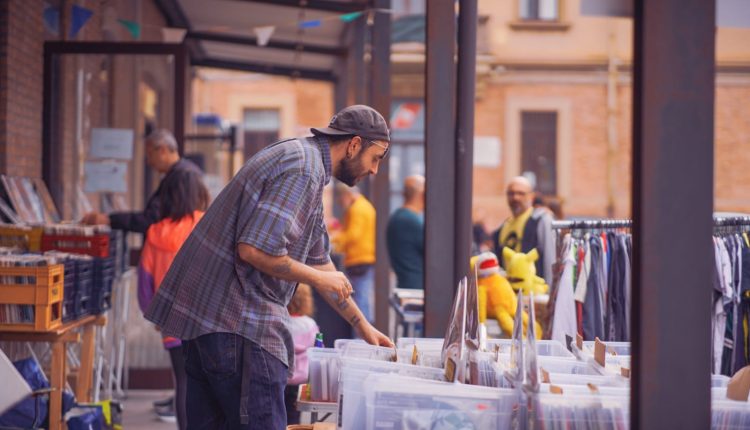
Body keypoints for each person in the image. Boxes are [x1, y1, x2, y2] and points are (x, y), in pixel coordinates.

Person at [144, 104, 393, 429]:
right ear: (354, 144)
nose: (374, 170)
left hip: (210, 324)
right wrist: (318, 277)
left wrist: (363, 327)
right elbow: (254, 250)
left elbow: (321, 262)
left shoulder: (306, 166)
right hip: (239, 326)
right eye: (376, 158)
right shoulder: (303, 170)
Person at [136, 171, 209, 429]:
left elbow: (144, 285)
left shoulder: (155, 232)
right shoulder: (206, 224)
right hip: (206, 320)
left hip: (171, 321)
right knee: (209, 383)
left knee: (183, 382)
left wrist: (155, 315)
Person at [82, 129, 201, 234]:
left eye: (150, 155)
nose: (149, 162)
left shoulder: (181, 177)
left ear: (163, 150)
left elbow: (152, 219)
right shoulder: (186, 173)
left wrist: (110, 220)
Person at [491, 176, 555, 286]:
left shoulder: (541, 220)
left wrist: (549, 292)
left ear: (531, 196)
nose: (515, 197)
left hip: (535, 294)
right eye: (511, 193)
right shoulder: (503, 227)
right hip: (508, 294)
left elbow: (550, 259)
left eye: (521, 193)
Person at [331, 184, 376, 325]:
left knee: (360, 301)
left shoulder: (357, 209)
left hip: (359, 259)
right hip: (363, 258)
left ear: (346, 195)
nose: (341, 203)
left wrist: (335, 239)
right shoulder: (364, 205)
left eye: (340, 199)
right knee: (362, 299)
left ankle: (362, 336)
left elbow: (353, 235)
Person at [284, 284, 319, 425]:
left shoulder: (280, 322)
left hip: (282, 376)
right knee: (294, 416)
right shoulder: (310, 324)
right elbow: (316, 347)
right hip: (300, 379)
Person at [386, 175, 425, 290]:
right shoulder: (410, 220)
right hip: (415, 289)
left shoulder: (398, 217)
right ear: (422, 195)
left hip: (406, 285)